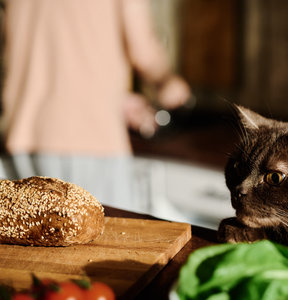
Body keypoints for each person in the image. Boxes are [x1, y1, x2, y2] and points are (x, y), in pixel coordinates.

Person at [0, 0, 191, 212]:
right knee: (112, 238)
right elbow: (144, 52)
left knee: (34, 237)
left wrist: (113, 97)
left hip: (21, 135)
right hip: (90, 139)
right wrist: (169, 82)